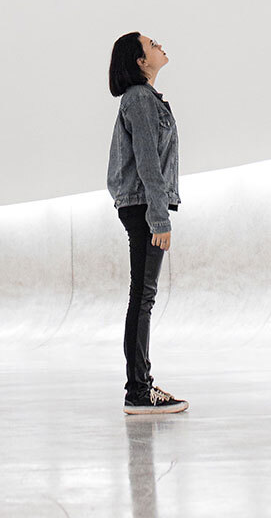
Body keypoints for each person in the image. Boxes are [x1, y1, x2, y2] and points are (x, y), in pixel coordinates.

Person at [106, 31, 189, 415]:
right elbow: (147, 161)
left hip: (142, 203)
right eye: (152, 44)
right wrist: (158, 217)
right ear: (140, 61)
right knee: (143, 297)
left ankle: (139, 386)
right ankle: (138, 390)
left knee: (142, 296)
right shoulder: (139, 99)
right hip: (143, 205)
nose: (160, 46)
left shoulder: (146, 99)